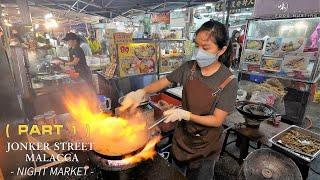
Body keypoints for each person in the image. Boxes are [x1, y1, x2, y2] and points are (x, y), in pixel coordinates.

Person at [120, 20, 238, 180]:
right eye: (197, 45)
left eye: (206, 47)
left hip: (206, 147)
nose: (199, 52)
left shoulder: (228, 81)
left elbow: (217, 120)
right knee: (175, 175)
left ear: (222, 50)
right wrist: (141, 92)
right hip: (182, 138)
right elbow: (164, 81)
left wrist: (186, 115)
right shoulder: (189, 67)